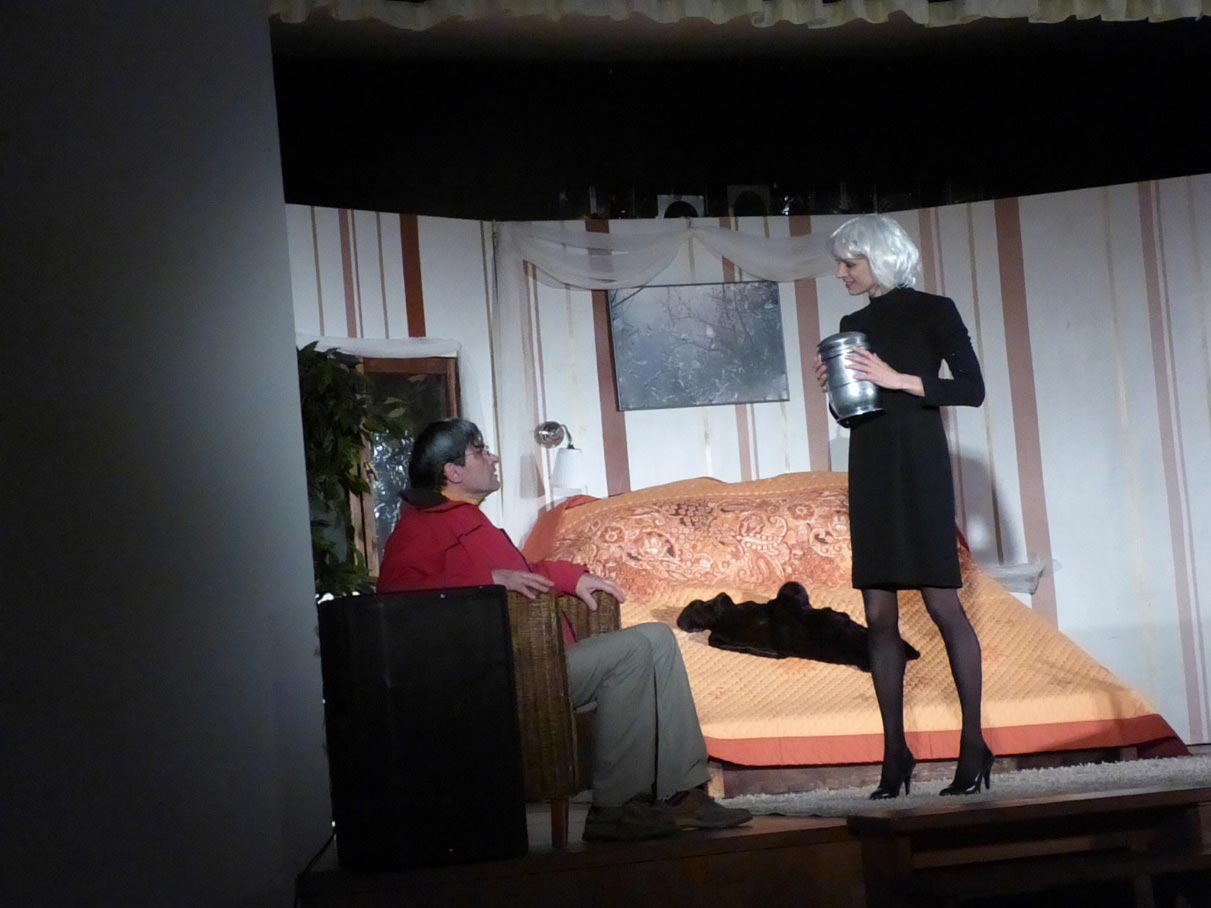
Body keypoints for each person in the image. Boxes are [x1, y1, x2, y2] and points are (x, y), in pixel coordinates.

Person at [377, 417, 751, 841]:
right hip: (497, 677)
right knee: (632, 651)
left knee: (657, 637)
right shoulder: (422, 525)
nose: (493, 457)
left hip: (538, 661)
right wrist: (487, 580)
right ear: (452, 471)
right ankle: (614, 809)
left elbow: (522, 573)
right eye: (480, 451)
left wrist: (572, 578)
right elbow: (393, 595)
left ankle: (683, 794)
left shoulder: (469, 520)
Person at [814, 214, 991, 799]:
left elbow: (971, 389)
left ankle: (973, 745)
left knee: (942, 605)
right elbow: (856, 415)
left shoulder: (934, 310)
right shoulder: (852, 325)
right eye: (841, 263)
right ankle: (895, 754)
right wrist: (836, 392)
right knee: (878, 616)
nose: (841, 273)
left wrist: (900, 378)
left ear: (881, 259)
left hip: (920, 466)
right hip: (870, 468)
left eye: (850, 263)